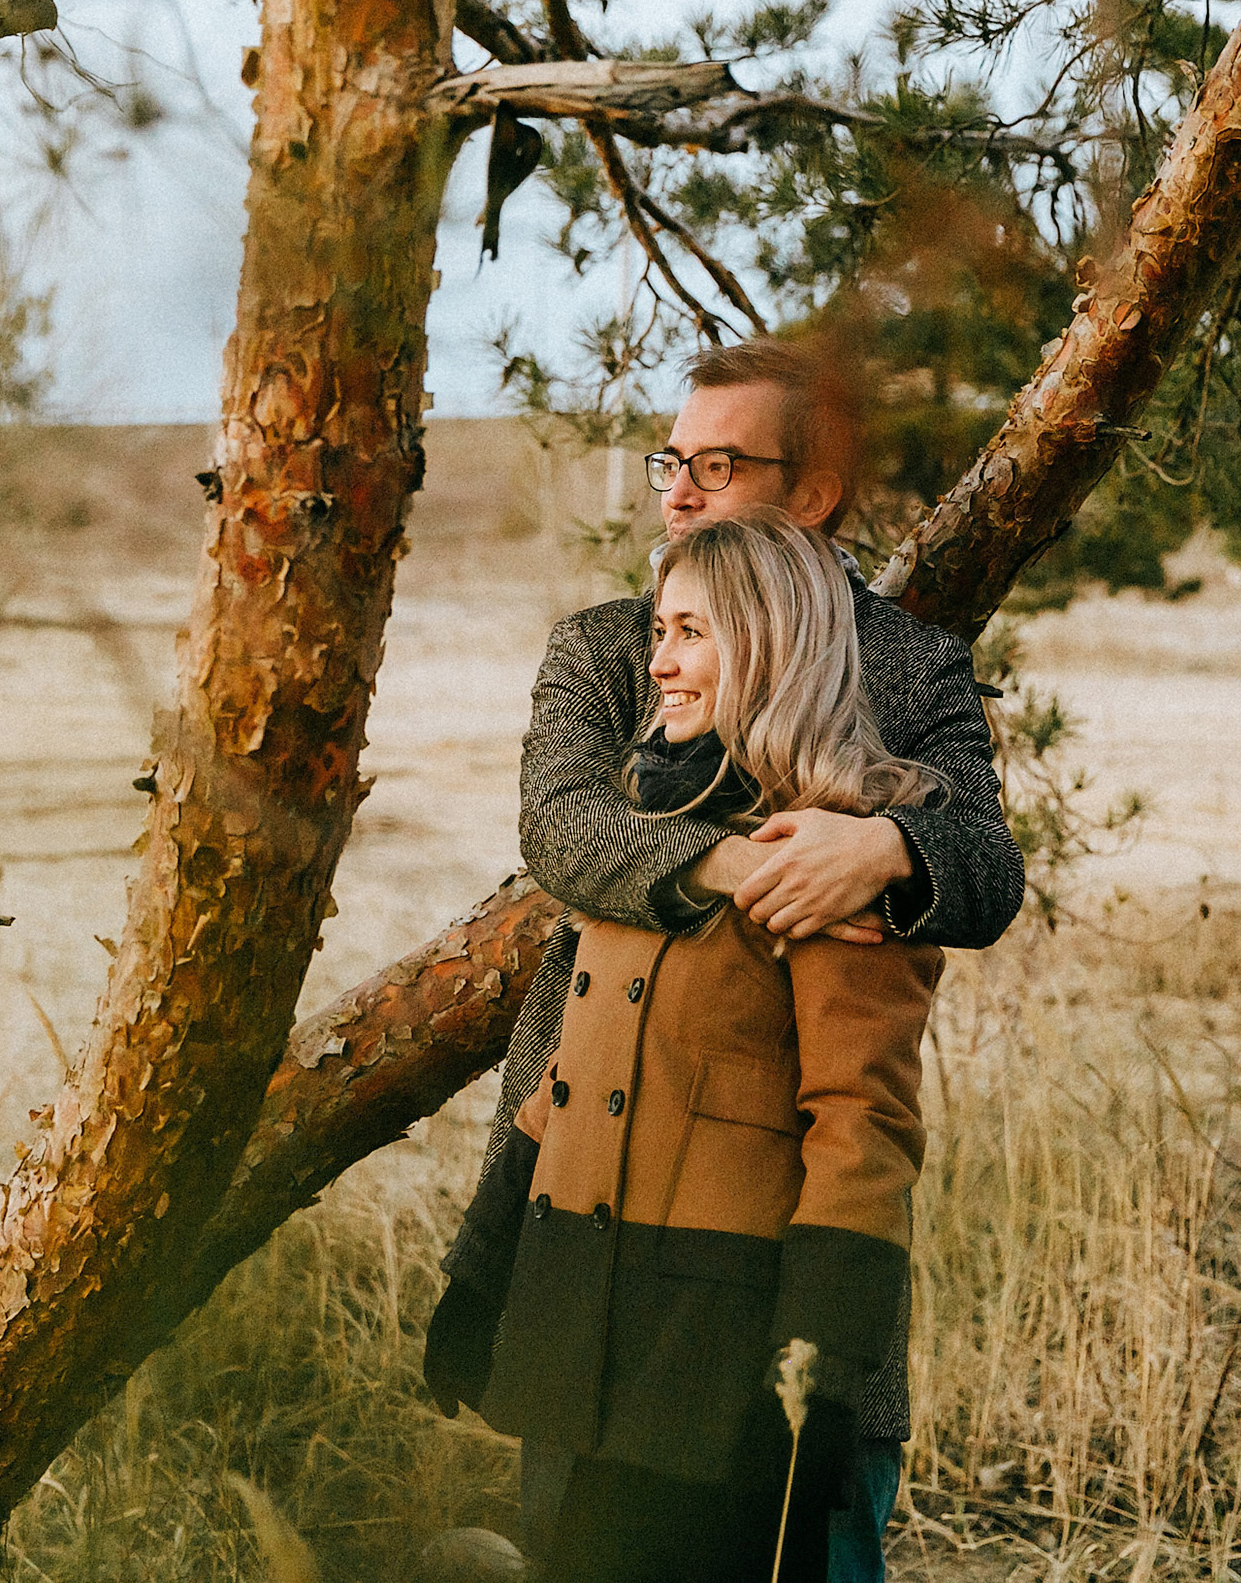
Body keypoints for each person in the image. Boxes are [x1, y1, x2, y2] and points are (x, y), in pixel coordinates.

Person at [426, 337, 1025, 1578]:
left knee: (792, 1494)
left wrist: (884, 851)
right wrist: (753, 864)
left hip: (769, 1164)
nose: (677, 490)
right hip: (589, 1119)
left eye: (716, 462)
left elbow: (984, 867)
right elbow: (562, 827)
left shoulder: (905, 664)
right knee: (583, 1503)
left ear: (811, 493)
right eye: (670, 459)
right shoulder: (608, 642)